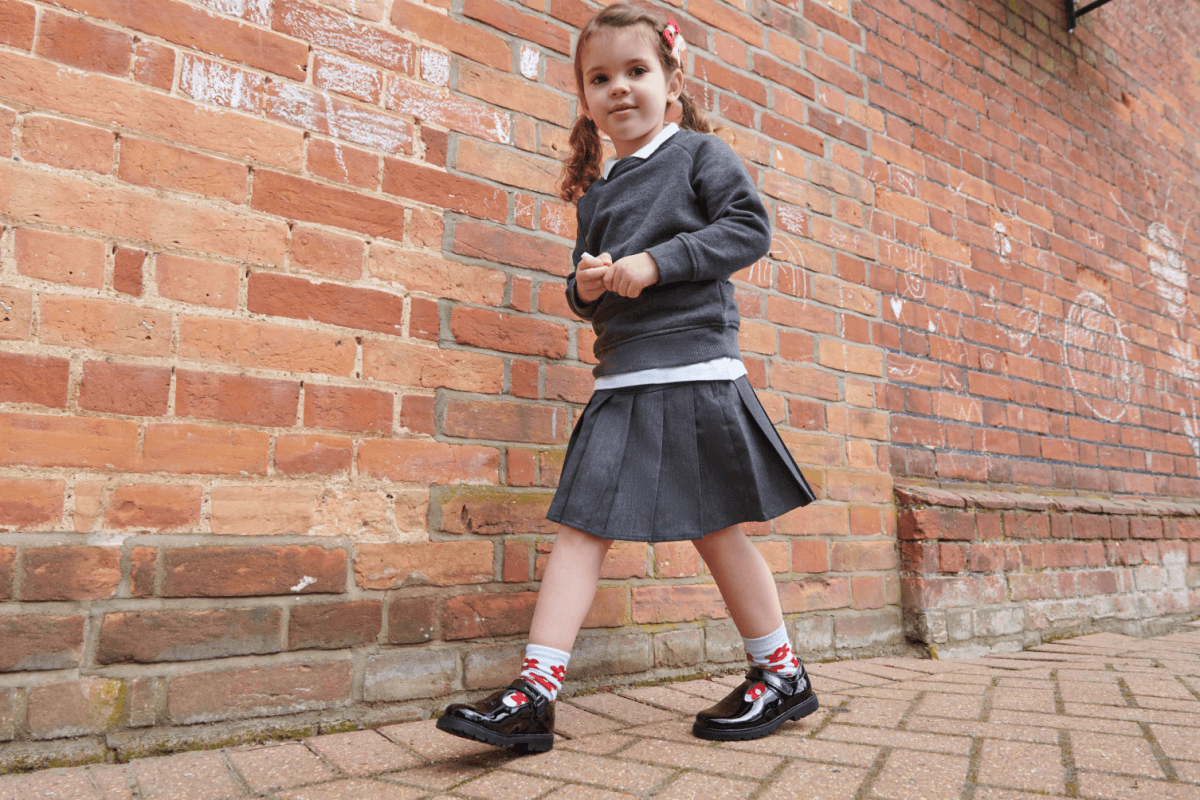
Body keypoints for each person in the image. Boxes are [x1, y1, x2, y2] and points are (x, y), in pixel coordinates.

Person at [436, 3, 818, 753]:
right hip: (621, 383)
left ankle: (780, 673)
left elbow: (748, 229)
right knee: (581, 529)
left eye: (637, 71)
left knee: (717, 530)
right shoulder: (598, 195)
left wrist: (656, 262)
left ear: (672, 79)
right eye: (600, 78)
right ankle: (535, 694)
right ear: (584, 100)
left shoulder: (702, 155)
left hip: (697, 372)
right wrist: (586, 285)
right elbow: (582, 296)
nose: (620, 88)